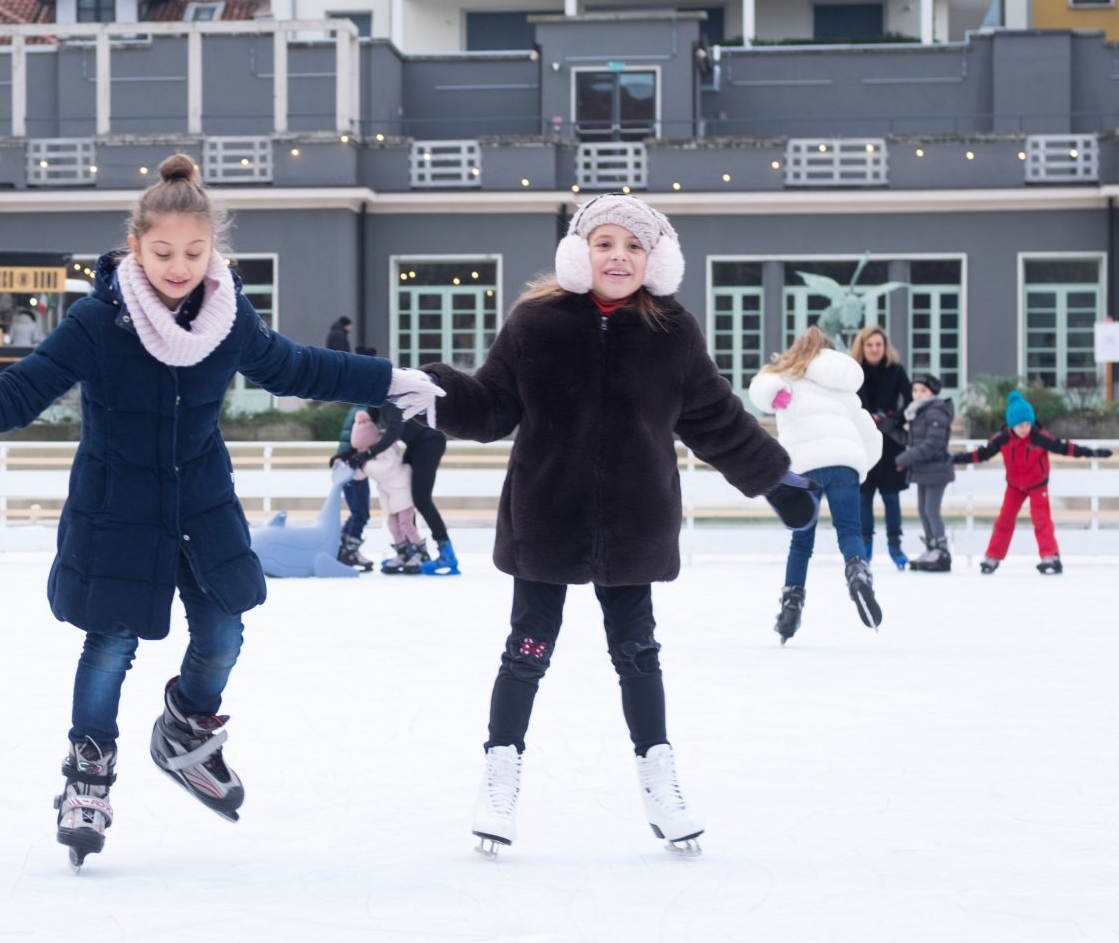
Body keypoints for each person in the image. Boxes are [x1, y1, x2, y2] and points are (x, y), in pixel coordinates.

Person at [0, 154, 442, 869]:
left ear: (214, 249)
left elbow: (297, 367)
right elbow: (20, 391)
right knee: (111, 644)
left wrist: (388, 379)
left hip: (201, 502)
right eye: (164, 251)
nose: (179, 266)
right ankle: (88, 776)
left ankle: (185, 729)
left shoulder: (227, 318)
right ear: (136, 245)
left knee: (223, 634)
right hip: (117, 504)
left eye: (194, 251)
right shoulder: (97, 322)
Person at [422, 194, 816, 855]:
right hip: (547, 516)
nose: (618, 256)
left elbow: (716, 420)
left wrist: (775, 480)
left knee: (638, 653)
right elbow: (490, 408)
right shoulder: (536, 324)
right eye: (605, 242)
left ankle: (659, 778)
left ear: (654, 260)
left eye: (634, 246)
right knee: (527, 648)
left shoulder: (674, 333)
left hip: (636, 522)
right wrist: (430, 389)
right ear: (580, 253)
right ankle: (500, 775)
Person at [748, 327, 884, 642]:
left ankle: (791, 605)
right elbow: (868, 433)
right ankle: (857, 572)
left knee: (801, 541)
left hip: (803, 466)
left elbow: (761, 387)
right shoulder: (843, 388)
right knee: (850, 532)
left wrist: (776, 397)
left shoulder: (787, 379)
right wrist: (861, 464)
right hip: (844, 463)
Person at [954, 390, 1111, 574]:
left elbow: (1064, 447)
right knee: (1004, 520)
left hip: (1038, 485)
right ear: (1011, 424)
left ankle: (1050, 557)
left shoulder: (1039, 436)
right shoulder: (1002, 439)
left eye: (1027, 424)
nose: (1024, 428)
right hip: (1014, 486)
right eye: (1020, 425)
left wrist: (1092, 452)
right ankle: (992, 557)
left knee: (1041, 519)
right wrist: (956, 459)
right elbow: (981, 454)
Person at [350, 397, 456, 575]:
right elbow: (368, 433)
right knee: (407, 496)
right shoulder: (374, 401)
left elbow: (394, 430)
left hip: (430, 442)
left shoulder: (389, 399)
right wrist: (348, 455)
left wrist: (368, 454)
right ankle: (409, 551)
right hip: (415, 445)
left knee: (421, 499)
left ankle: (446, 552)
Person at [854, 324, 912, 570]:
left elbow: (910, 400)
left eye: (878, 344)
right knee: (864, 496)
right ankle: (865, 545)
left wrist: (895, 419)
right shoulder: (853, 372)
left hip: (890, 442)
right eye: (870, 345)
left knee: (890, 496)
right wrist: (866, 418)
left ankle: (894, 544)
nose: (875, 349)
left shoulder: (896, 371)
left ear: (885, 347)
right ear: (862, 347)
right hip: (864, 440)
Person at [894, 373, 956, 572]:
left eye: (923, 390)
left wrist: (905, 458)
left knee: (931, 510)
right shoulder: (919, 412)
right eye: (915, 390)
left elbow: (933, 444)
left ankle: (941, 549)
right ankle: (931, 548)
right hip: (924, 470)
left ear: (932, 393)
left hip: (937, 469)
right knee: (923, 509)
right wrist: (889, 429)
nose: (918, 394)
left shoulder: (935, 412)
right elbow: (914, 440)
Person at [347, 409, 426, 561]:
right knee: (392, 524)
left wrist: (364, 464)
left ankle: (419, 551)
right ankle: (402, 551)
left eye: (362, 448)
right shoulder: (368, 455)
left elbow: (387, 466)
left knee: (405, 523)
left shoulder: (385, 447)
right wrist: (351, 470)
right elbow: (362, 473)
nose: (361, 451)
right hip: (389, 494)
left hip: (401, 488)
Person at [329, 398, 375, 572]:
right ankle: (348, 550)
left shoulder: (358, 407)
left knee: (358, 513)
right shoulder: (367, 409)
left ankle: (343, 547)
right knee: (361, 514)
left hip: (347, 465)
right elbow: (360, 441)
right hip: (352, 468)